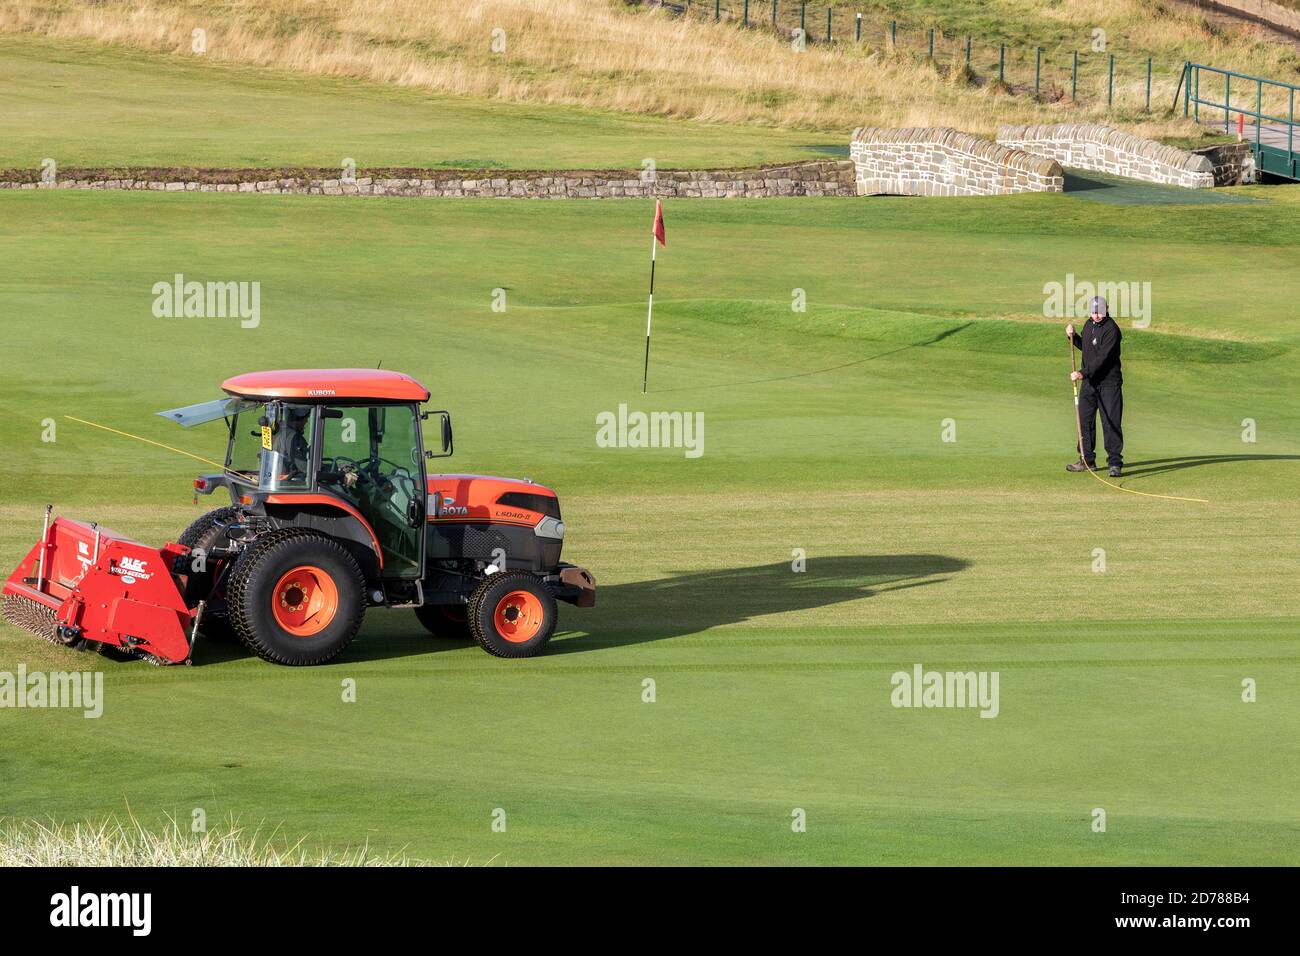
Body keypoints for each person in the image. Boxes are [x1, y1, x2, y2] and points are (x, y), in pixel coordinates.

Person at [1066, 295, 1123, 477]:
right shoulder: (1089, 325)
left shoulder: (1112, 330)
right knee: (1085, 421)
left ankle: (1114, 463)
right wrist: (1073, 338)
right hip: (1090, 384)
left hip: (1109, 384)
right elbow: (1088, 349)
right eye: (1093, 311)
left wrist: (1082, 373)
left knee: (1110, 423)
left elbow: (1102, 358)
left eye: (1099, 311)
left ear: (1106, 309)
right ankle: (1086, 460)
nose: (1096, 315)